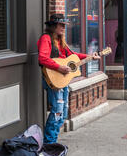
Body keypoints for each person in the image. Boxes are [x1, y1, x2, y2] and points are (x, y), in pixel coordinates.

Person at [38, 13, 100, 144]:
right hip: (53, 79)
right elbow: (42, 58)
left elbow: (73, 56)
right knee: (57, 112)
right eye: (61, 25)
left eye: (64, 26)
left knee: (63, 112)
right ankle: (49, 144)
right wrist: (59, 68)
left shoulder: (61, 42)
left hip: (62, 80)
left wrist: (90, 56)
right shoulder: (46, 38)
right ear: (53, 26)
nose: (63, 28)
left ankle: (52, 141)